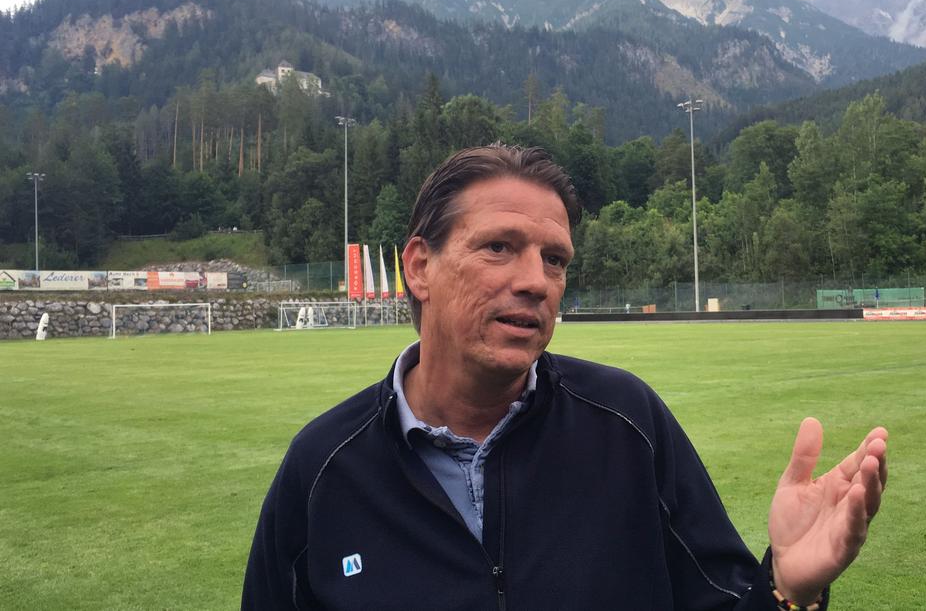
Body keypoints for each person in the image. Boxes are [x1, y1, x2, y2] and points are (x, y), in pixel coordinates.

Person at [243, 145, 888, 610]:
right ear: (419, 267)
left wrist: (787, 589)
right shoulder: (323, 468)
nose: (535, 281)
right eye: (499, 247)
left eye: (554, 259)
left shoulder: (628, 424)